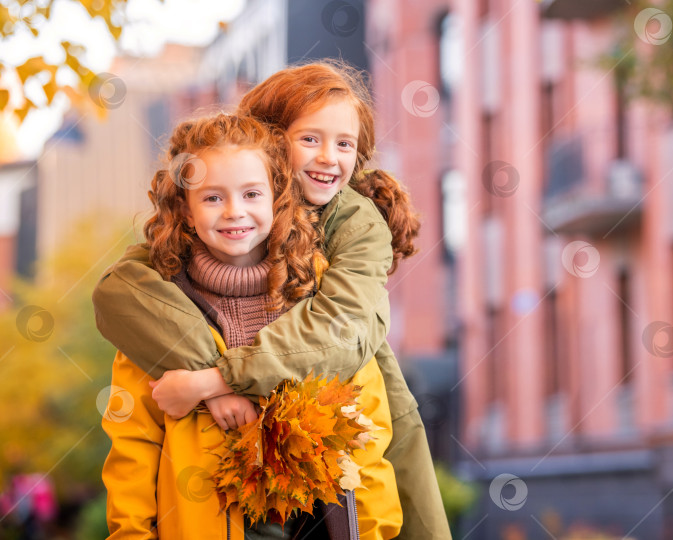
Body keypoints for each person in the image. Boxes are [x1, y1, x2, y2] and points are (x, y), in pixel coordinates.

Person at [93, 60, 452, 539]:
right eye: (309, 139)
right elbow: (120, 296)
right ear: (272, 144)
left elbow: (343, 346)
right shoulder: (168, 289)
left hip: (330, 494)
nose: (328, 157)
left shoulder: (347, 235)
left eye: (344, 143)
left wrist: (216, 382)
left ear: (274, 190)